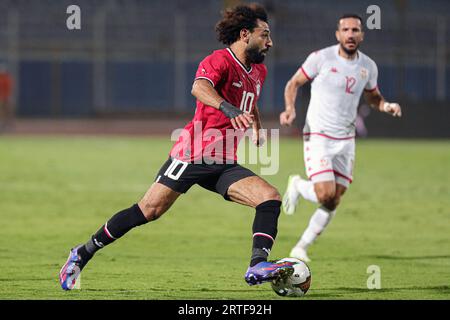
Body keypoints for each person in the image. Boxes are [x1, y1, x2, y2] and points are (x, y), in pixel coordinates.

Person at [60, 3, 295, 291]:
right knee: (148, 210)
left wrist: (257, 128)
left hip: (223, 160)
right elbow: (199, 87)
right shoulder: (219, 60)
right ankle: (81, 253)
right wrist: (228, 108)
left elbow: (251, 100)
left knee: (269, 198)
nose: (270, 42)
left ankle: (257, 265)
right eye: (265, 35)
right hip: (194, 153)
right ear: (245, 34)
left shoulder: (259, 71)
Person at [279, 14, 402, 262]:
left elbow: (373, 97)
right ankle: (299, 186)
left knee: (334, 199)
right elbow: (294, 83)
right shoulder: (321, 58)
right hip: (319, 134)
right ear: (338, 34)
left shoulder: (368, 66)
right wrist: (290, 108)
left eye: (355, 30)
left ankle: (301, 246)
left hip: (346, 139)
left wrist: (386, 105)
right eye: (345, 29)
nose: (350, 34)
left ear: (361, 35)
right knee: (325, 193)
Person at [0, 63, 13, 132]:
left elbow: (8, 88)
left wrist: (8, 96)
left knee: (8, 110)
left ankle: (9, 123)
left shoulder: (7, 78)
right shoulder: (2, 78)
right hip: (2, 97)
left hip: (6, 97)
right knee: (2, 110)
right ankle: (3, 123)